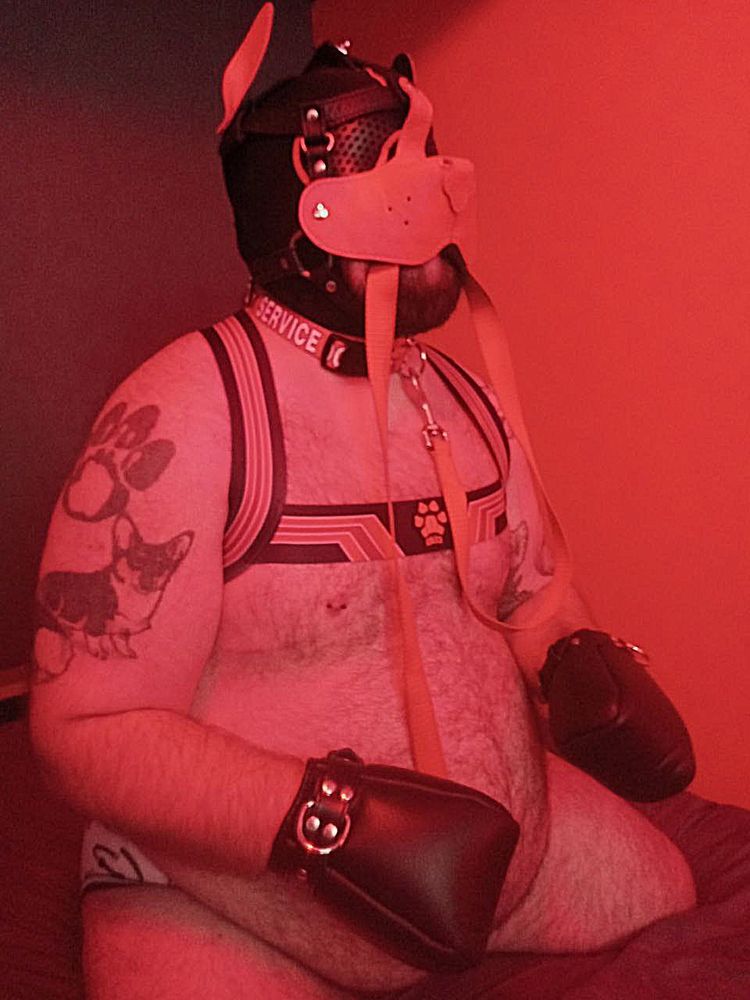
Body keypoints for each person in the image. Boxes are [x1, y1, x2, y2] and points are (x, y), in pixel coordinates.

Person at [30, 6, 697, 998]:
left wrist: (575, 657)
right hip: (246, 897)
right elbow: (83, 726)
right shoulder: (187, 413)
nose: (438, 196)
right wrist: (330, 819)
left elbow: (528, 592)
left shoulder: (463, 397)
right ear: (302, 211)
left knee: (671, 891)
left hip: (492, 870)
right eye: (395, 170)